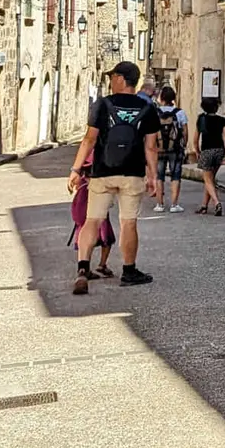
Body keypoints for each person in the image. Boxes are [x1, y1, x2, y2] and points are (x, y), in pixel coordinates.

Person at [68, 60, 161, 294]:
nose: (110, 81)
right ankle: (129, 270)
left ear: (121, 78)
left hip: (102, 172)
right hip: (132, 173)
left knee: (92, 220)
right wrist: (154, 176)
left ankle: (83, 267)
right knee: (128, 222)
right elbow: (151, 147)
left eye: (112, 77)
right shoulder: (147, 108)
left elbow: (89, 139)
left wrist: (76, 169)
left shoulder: (103, 104)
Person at [67, 150, 115, 279]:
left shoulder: (81, 181)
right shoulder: (100, 177)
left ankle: (83, 267)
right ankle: (102, 265)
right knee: (107, 238)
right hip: (99, 209)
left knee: (85, 238)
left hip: (82, 215)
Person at [153, 87, 189, 213]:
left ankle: (159, 204)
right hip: (175, 148)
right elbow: (185, 131)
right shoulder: (180, 113)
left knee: (159, 176)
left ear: (161, 98)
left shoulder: (155, 112)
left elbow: (151, 132)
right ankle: (174, 205)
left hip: (159, 148)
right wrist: (184, 144)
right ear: (173, 98)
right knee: (175, 176)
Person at [194, 98, 225, 216]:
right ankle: (204, 205)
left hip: (207, 151)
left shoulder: (201, 119)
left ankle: (217, 202)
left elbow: (195, 139)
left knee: (207, 180)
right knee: (211, 179)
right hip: (219, 151)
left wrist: (197, 152)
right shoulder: (222, 120)